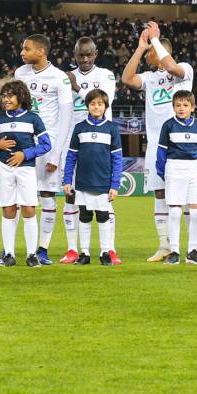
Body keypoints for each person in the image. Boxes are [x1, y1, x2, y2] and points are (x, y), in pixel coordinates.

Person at [121, 21, 194, 262]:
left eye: (151, 52)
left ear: (161, 50)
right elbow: (127, 78)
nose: (148, 56)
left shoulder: (183, 69)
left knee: (182, 197)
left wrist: (155, 40)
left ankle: (189, 245)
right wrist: (141, 47)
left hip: (179, 144)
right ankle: (164, 245)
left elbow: (172, 68)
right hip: (155, 146)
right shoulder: (150, 78)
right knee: (160, 194)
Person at [13, 34, 73, 265]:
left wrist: (56, 154)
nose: (22, 52)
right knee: (18, 198)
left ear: (41, 51)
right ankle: (14, 249)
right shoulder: (20, 74)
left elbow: (66, 118)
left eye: (26, 49)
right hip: (22, 143)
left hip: (47, 145)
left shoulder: (59, 78)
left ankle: (43, 248)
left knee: (47, 195)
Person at [60, 36, 118, 264]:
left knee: (105, 201)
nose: (85, 59)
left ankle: (109, 249)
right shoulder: (65, 77)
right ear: (74, 55)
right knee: (70, 196)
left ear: (96, 54)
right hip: (73, 140)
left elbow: (105, 99)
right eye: (80, 55)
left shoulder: (106, 75)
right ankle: (74, 249)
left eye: (89, 54)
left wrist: (76, 87)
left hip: (102, 141)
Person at [0, 80, 51, 268]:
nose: (5, 99)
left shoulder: (33, 118)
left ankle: (32, 255)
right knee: (8, 209)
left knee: (29, 209)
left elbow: (46, 144)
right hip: (5, 168)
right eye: (3, 96)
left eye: (9, 95)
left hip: (26, 168)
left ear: (21, 97)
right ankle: (8, 254)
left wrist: (25, 154)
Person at [61, 89, 123, 266]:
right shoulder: (79, 128)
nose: (96, 107)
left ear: (105, 106)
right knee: (85, 216)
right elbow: (71, 156)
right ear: (87, 105)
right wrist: (67, 180)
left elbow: (117, 159)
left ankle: (105, 252)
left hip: (103, 182)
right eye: (93, 103)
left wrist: (115, 184)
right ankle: (85, 253)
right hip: (82, 182)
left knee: (103, 216)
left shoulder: (112, 129)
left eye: (100, 104)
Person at [155, 91, 197, 265]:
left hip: (192, 168)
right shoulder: (168, 125)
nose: (181, 108)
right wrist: (164, 173)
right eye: (178, 105)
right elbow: (161, 152)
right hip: (173, 166)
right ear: (173, 107)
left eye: (185, 105)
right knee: (175, 211)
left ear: (192, 107)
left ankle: (193, 251)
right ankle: (174, 251)